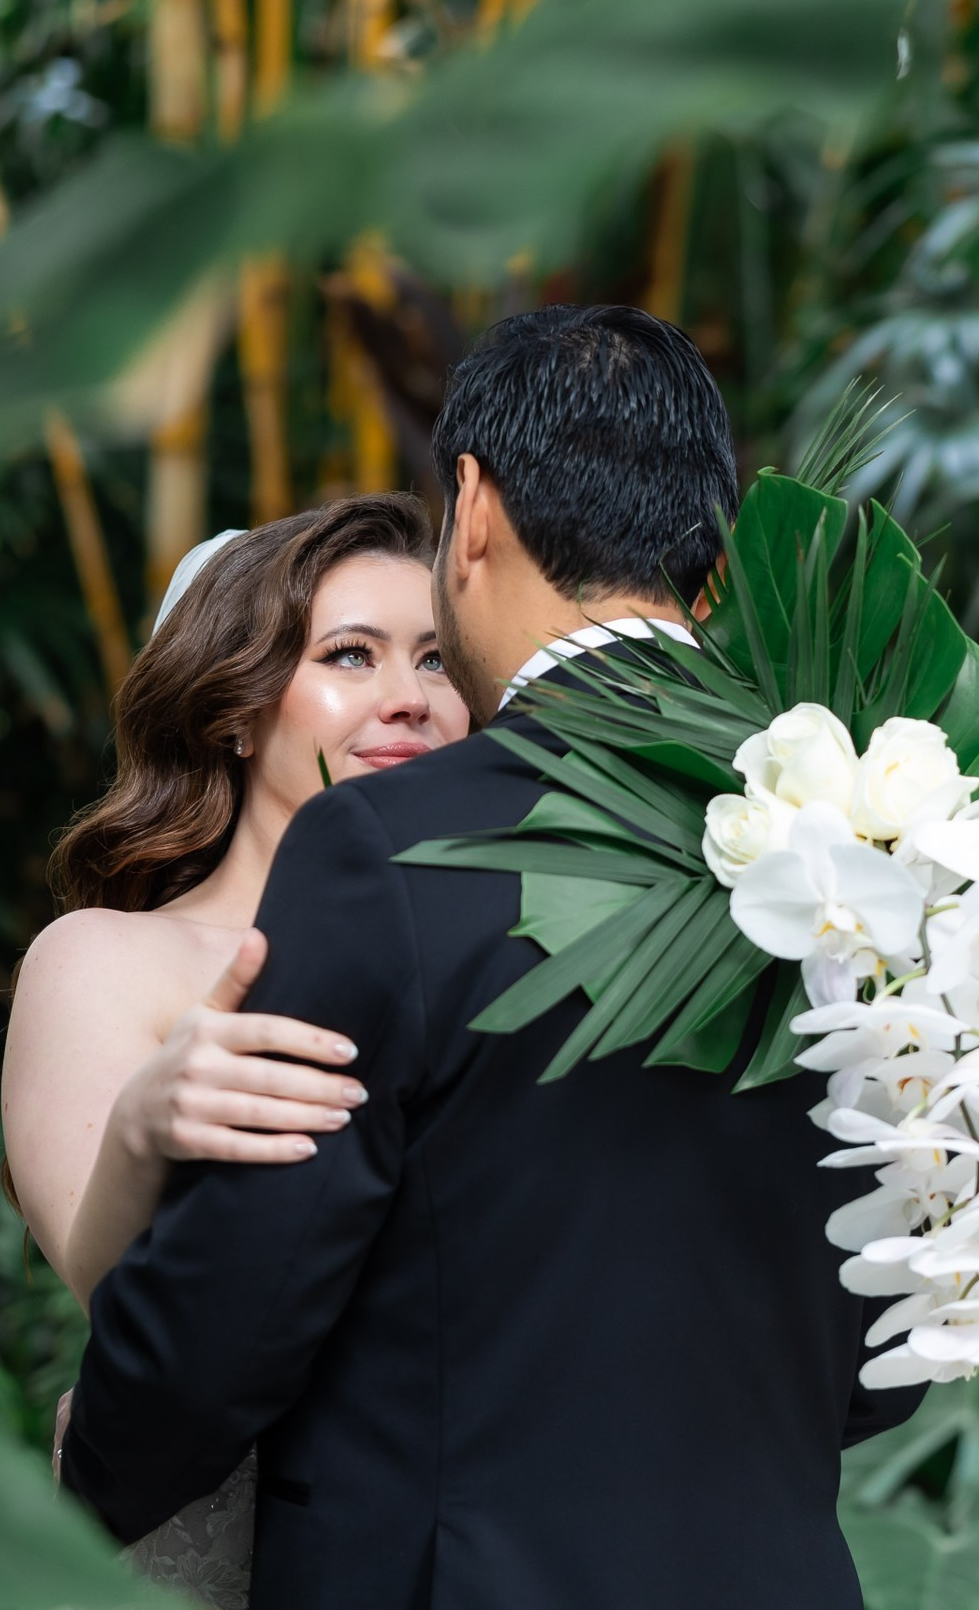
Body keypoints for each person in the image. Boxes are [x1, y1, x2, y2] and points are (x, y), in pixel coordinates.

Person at [59, 305, 922, 1610]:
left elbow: (230, 1315)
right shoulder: (874, 856)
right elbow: (887, 1343)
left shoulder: (391, 852)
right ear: (709, 544)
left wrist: (92, 1489)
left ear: (469, 510)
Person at [1, 493, 471, 1605]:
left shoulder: (482, 943)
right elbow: (118, 1297)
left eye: (439, 660)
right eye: (349, 656)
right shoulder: (103, 957)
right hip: (205, 1532)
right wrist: (140, 1125)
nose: (407, 699)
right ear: (237, 709)